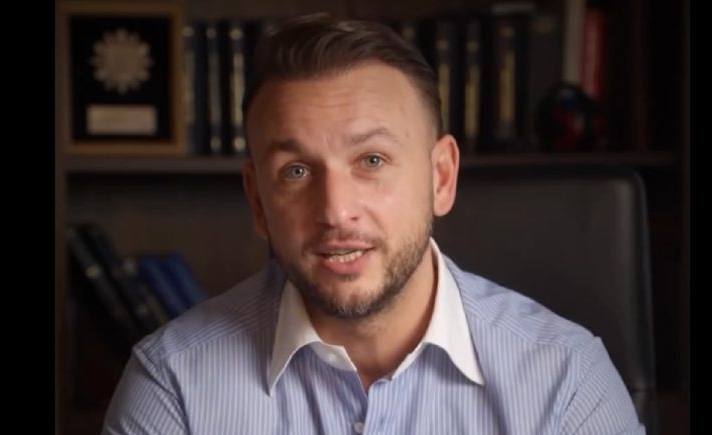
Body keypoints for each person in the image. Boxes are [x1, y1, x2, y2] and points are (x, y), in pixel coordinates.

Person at [102, 14, 645, 435]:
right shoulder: (174, 384)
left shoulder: (565, 381)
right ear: (258, 201)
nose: (336, 211)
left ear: (441, 177)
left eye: (372, 160)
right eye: (296, 171)